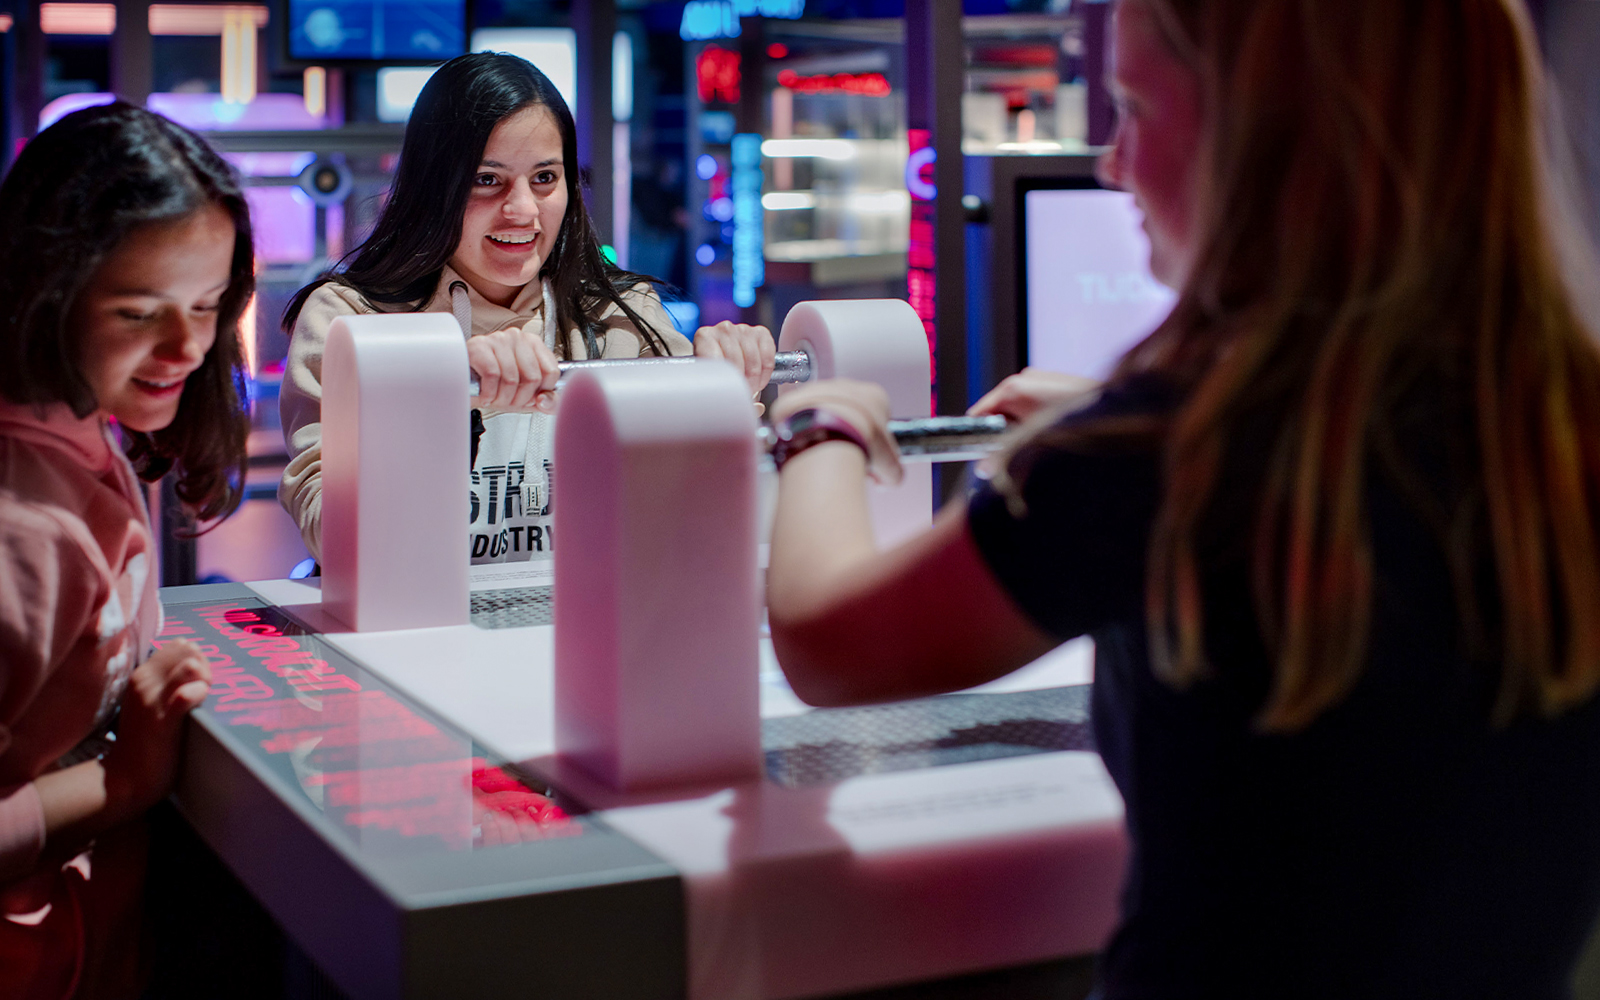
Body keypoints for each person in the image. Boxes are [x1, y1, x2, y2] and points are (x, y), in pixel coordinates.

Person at [763, 1, 1600, 997]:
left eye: (1133, 112)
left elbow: (827, 637)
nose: (1111, 165)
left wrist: (820, 425)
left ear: (1271, 139)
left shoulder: (1164, 455)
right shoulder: (1556, 432)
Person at [280, 52, 776, 565]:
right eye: (486, 179)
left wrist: (726, 397)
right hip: (407, 632)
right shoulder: (348, 320)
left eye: (544, 179)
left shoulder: (622, 313)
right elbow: (332, 536)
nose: (522, 211)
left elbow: (686, 516)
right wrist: (446, 389)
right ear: (432, 185)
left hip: (580, 627)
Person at [0, 103, 251, 998]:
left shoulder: (85, 429)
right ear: (47, 288)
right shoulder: (22, 525)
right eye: (141, 312)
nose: (188, 348)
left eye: (209, 307)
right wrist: (123, 781)